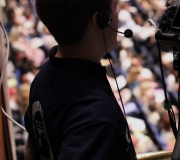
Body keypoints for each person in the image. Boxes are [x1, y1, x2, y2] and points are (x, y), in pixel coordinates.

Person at [23, 0, 137, 159]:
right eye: (115, 6)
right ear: (101, 20)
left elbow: (32, 148)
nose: (118, 13)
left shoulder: (44, 75)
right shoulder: (96, 118)